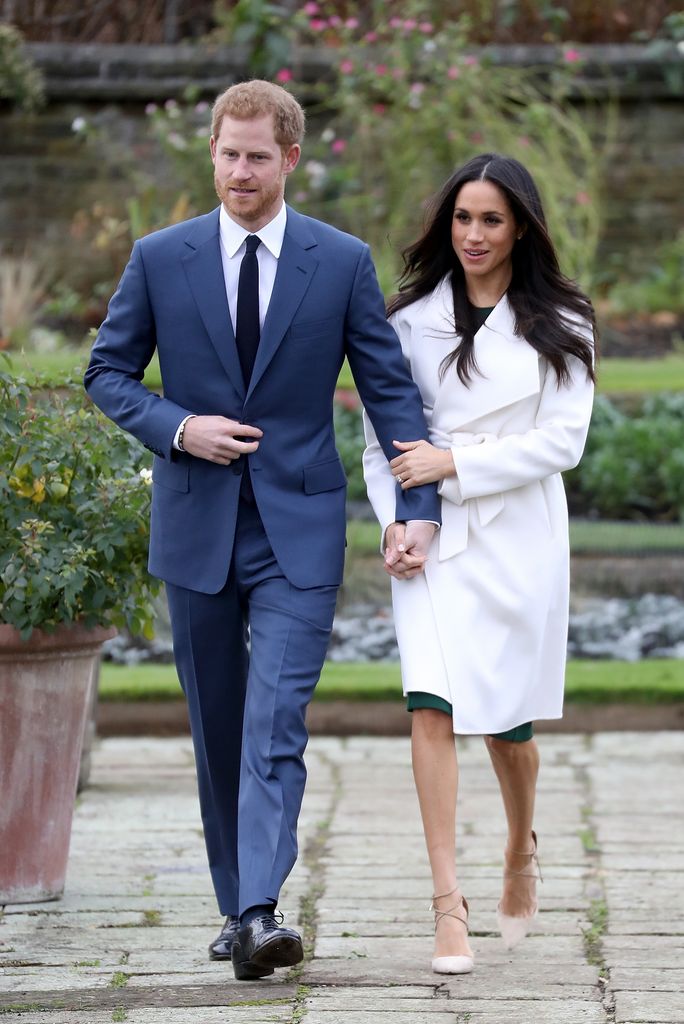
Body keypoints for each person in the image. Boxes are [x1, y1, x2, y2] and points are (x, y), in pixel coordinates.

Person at [85, 80, 440, 980]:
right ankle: (236, 902)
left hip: (299, 529)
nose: (240, 171)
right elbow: (106, 371)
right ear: (212, 153)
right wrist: (178, 427)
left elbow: (391, 394)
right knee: (218, 727)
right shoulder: (160, 258)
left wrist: (418, 509)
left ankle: (258, 911)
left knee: (275, 720)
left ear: (289, 159)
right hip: (197, 525)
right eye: (227, 153)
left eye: (257, 156)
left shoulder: (341, 260)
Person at [362, 153, 596, 974]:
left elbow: (561, 442)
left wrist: (453, 461)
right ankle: (446, 906)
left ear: (521, 226)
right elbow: (382, 441)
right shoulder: (406, 320)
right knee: (430, 706)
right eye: (462, 218)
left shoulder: (565, 322)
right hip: (433, 541)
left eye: (491, 219)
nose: (473, 234)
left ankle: (520, 847)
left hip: (518, 536)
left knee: (505, 726)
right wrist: (399, 523)